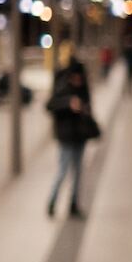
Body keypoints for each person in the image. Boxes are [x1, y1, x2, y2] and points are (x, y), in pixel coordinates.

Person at [45, 64, 98, 218]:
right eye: (75, 78)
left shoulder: (84, 91)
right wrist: (68, 104)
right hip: (66, 138)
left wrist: (83, 110)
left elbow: (89, 111)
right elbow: (49, 105)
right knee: (62, 170)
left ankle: (74, 204)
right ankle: (52, 201)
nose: (77, 80)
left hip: (80, 137)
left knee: (78, 172)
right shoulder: (64, 90)